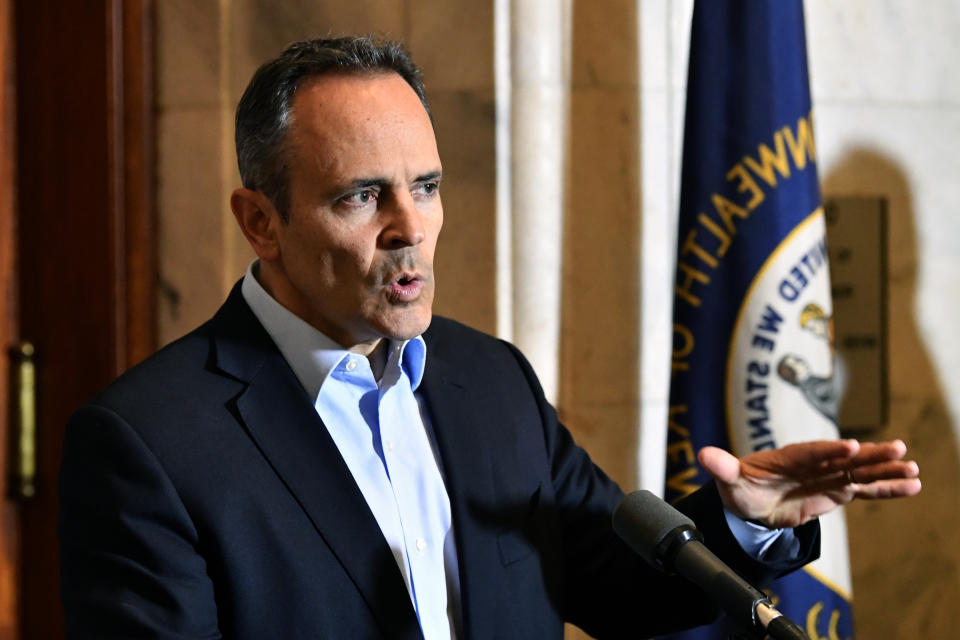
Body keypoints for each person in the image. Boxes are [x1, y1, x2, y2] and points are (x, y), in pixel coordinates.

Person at [58, 37, 921, 639]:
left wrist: (744, 525)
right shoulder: (150, 445)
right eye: (361, 196)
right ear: (261, 222)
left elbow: (617, 586)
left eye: (425, 186)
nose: (411, 228)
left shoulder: (490, 381)